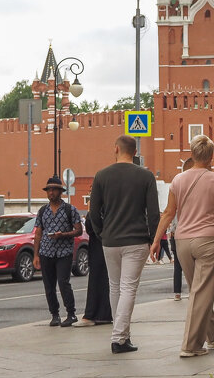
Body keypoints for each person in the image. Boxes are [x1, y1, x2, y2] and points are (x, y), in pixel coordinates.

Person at [150, 135, 214, 357]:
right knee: (201, 293)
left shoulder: (177, 181)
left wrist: (155, 241)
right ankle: (190, 346)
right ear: (211, 157)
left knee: (198, 291)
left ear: (192, 154)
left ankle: (213, 333)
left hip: (182, 242)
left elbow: (168, 213)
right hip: (208, 241)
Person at [87, 135, 160, 354]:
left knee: (115, 286)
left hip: (110, 240)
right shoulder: (146, 176)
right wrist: (153, 239)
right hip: (136, 240)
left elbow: (93, 212)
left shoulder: (101, 176)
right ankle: (118, 338)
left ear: (116, 149)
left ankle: (123, 335)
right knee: (128, 287)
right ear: (135, 152)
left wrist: (101, 233)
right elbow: (153, 213)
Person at [31, 176, 83, 327]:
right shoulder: (42, 211)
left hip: (63, 252)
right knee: (49, 286)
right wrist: (36, 255)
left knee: (63, 283)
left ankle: (71, 314)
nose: (51, 192)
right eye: (48, 190)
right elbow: (38, 233)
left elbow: (79, 231)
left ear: (61, 192)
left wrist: (63, 235)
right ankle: (55, 315)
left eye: (54, 189)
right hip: (46, 252)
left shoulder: (69, 209)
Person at [72, 203, 113, 328]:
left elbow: (90, 225)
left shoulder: (99, 207)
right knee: (112, 282)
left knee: (96, 280)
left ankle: (91, 314)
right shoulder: (114, 204)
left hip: (98, 246)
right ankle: (107, 314)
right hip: (113, 244)